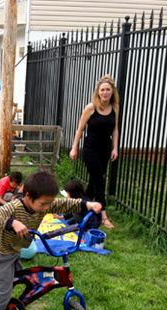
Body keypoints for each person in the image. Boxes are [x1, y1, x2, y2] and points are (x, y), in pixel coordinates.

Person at [0, 170, 104, 310]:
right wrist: (13, 222)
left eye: (48, 204)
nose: (46, 208)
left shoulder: (41, 205)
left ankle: (2, 304)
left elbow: (63, 204)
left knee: (19, 278)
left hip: (14, 251)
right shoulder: (15, 206)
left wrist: (86, 205)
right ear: (29, 196)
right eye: (44, 204)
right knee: (3, 291)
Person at [69, 75, 120, 229]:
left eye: (108, 90)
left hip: (105, 149)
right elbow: (80, 129)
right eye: (102, 90)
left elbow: (115, 129)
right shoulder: (91, 108)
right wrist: (74, 147)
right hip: (90, 149)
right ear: (98, 92)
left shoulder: (115, 108)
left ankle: (79, 208)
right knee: (99, 180)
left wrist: (115, 148)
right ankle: (103, 215)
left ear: (112, 92)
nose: (105, 92)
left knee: (93, 184)